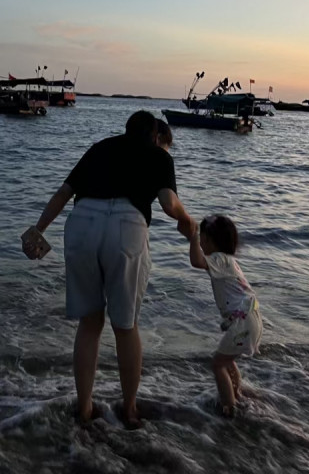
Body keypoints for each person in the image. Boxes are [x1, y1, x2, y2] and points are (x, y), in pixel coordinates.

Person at [23, 110, 197, 427]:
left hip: (81, 224)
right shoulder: (158, 155)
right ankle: (129, 410)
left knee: (90, 324)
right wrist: (188, 222)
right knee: (125, 326)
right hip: (126, 227)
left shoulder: (100, 147)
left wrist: (38, 231)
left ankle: (85, 409)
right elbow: (168, 203)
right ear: (156, 136)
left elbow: (63, 193)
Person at [188, 214, 262, 417]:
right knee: (227, 360)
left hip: (243, 321)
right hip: (251, 318)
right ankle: (236, 394)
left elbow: (196, 261)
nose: (200, 244)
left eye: (202, 239)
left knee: (218, 364)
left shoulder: (219, 258)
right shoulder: (228, 261)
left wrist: (192, 236)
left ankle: (229, 407)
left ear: (210, 241)